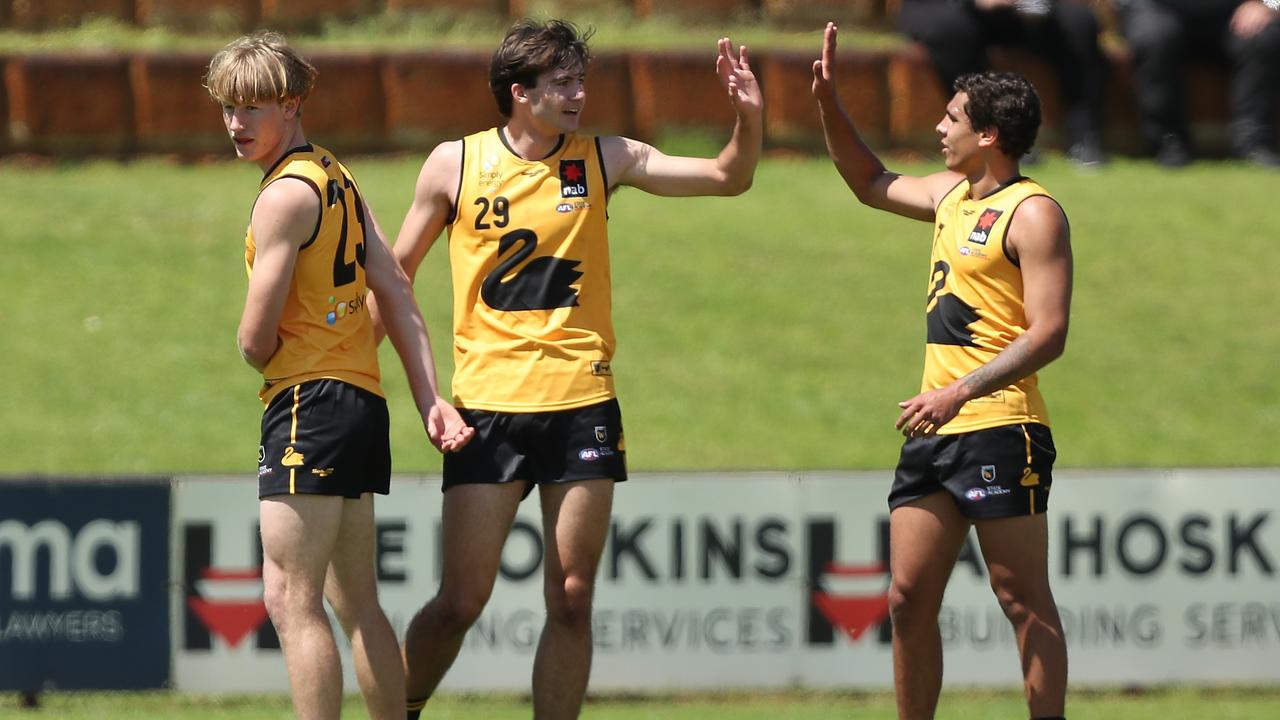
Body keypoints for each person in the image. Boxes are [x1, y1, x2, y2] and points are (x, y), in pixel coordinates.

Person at [373, 18, 761, 720]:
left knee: (573, 596)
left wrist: (748, 117)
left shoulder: (605, 158)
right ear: (519, 93)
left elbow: (729, 177)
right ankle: (397, 710)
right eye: (562, 83)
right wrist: (355, 367)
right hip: (485, 409)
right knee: (461, 601)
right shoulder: (453, 165)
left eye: (581, 81)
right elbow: (396, 279)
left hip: (581, 403)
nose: (579, 94)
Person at [205, 31, 473, 720]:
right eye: (229, 107)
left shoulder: (283, 197)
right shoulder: (338, 179)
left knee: (290, 600)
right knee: (357, 602)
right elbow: (398, 291)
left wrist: (262, 355)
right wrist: (429, 399)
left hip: (308, 406)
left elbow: (253, 335)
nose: (237, 123)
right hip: (360, 403)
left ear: (291, 105)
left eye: (253, 107)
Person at [813, 22, 1071, 720]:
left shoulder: (1034, 212)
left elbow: (1049, 333)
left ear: (989, 134)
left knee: (1022, 600)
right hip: (934, 428)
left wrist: (961, 390)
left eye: (952, 118)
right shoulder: (948, 196)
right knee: (906, 597)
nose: (939, 127)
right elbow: (867, 180)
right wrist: (829, 102)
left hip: (998, 425)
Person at [897, 0, 1109, 167]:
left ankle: (1084, 138)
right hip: (942, 8)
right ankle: (992, 136)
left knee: (1079, 21)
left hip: (1015, 12)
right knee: (950, 28)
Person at [1112, 0, 1280, 167]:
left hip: (1233, 13)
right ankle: (1167, 142)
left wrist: (1268, 5)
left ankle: (1253, 142)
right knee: (1154, 34)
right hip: (1155, 9)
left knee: (1265, 36)